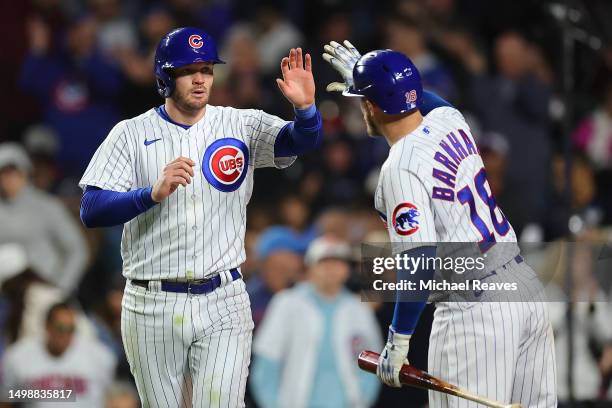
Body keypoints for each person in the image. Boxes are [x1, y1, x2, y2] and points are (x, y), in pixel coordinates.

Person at [78, 27, 322, 407]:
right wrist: (150, 194)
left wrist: (305, 111)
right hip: (151, 300)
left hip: (223, 297)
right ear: (165, 77)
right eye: (188, 70)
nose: (200, 79)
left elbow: (301, 141)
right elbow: (91, 210)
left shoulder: (240, 123)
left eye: (207, 69)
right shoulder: (130, 133)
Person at [323, 41, 556, 407]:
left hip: (474, 312)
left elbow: (419, 258)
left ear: (370, 105)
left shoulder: (399, 166)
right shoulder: (450, 121)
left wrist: (398, 340)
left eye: (361, 99)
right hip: (524, 289)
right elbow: (427, 101)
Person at [250, 235, 382, 408]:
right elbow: (266, 365)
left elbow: (373, 363)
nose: (332, 268)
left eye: (339, 262)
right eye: (324, 262)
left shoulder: (358, 309)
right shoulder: (287, 302)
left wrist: (362, 400)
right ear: (310, 267)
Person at [0, 143, 89, 294]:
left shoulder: (48, 207)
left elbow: (77, 250)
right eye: (4, 173)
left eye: (14, 173)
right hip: (5, 295)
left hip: (43, 289)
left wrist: (60, 288)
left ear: (25, 173)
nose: (9, 179)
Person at [1, 302, 117, 408]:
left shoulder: (100, 357)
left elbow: (115, 398)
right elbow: (6, 399)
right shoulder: (18, 356)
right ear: (47, 326)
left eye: (70, 329)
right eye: (60, 328)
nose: (65, 335)